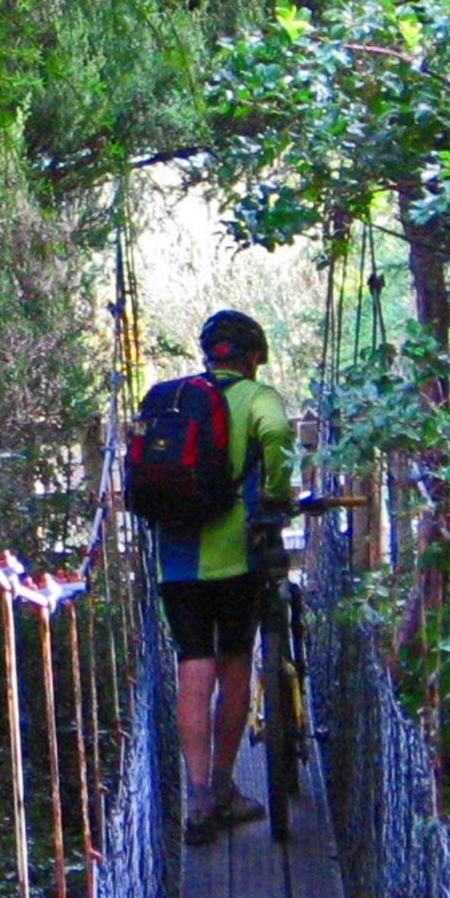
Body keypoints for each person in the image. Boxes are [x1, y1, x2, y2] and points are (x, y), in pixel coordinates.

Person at [154, 309, 295, 846]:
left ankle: (197, 798)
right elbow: (278, 434)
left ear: (209, 354)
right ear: (253, 357)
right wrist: (277, 493)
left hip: (177, 558)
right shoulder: (258, 399)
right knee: (235, 659)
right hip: (238, 555)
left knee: (193, 660)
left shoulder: (176, 397)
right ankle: (224, 786)